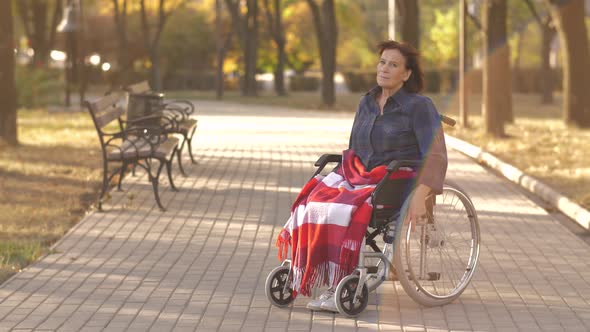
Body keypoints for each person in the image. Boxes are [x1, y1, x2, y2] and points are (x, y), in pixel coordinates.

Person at [278, 40, 448, 312]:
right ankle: (309, 272)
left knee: (341, 208)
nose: (385, 68)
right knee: (314, 203)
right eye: (382, 62)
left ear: (406, 74)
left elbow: (436, 155)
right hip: (360, 176)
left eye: (393, 65)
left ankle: (338, 282)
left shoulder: (419, 106)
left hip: (397, 180)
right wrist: (343, 175)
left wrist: (421, 194)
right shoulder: (367, 103)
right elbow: (355, 148)